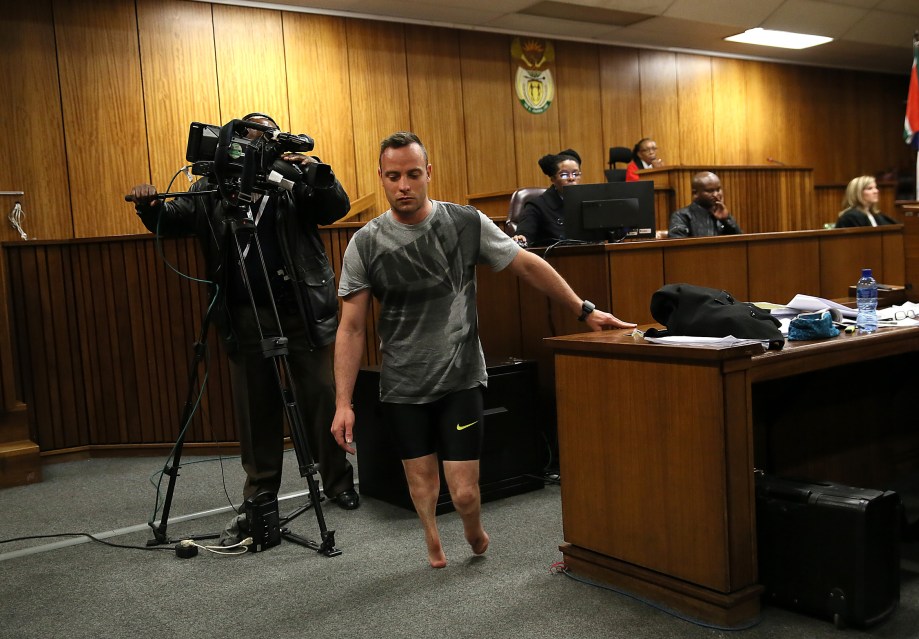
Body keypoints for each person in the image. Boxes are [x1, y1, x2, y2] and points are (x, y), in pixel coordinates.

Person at [331, 131, 634, 568]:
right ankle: (432, 540)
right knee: (421, 487)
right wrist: (343, 403)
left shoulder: (464, 224)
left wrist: (583, 310)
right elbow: (352, 327)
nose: (404, 186)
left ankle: (473, 528)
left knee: (465, 492)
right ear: (380, 177)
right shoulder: (366, 242)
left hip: (459, 378)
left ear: (428, 174)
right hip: (403, 384)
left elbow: (526, 264)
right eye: (393, 176)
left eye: (413, 175)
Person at [127, 113, 360, 544]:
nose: (258, 139)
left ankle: (339, 481)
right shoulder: (210, 185)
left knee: (321, 396)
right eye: (250, 132)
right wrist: (149, 204)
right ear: (234, 139)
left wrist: (314, 173)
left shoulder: (290, 176)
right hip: (245, 313)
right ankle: (261, 495)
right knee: (256, 408)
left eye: (267, 133)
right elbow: (171, 219)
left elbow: (335, 208)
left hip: (300, 308)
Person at [511, 148, 582, 247]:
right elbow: (525, 232)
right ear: (553, 179)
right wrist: (521, 237)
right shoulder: (537, 205)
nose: (571, 178)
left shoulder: (587, 201)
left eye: (575, 174)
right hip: (553, 258)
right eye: (564, 175)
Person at [668, 171, 743, 238]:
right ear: (695, 193)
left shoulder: (723, 214)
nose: (716, 194)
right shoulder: (681, 216)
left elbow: (741, 243)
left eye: (718, 189)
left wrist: (726, 220)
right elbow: (677, 248)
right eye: (710, 191)